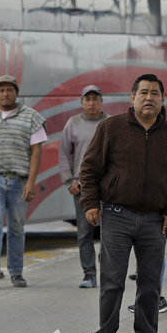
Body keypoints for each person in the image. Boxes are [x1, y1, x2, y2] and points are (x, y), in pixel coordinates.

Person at [80, 73, 167, 333]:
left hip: (155, 220)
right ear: (132, 98)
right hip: (116, 215)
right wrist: (90, 203)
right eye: (143, 93)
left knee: (150, 283)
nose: (149, 98)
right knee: (113, 281)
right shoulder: (111, 128)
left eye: (155, 93)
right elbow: (89, 170)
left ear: (163, 100)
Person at [0, 75, 47, 290]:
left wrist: (31, 182)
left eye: (9, 90)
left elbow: (36, 152)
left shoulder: (31, 117)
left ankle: (16, 272)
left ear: (16, 92)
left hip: (19, 181)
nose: (5, 94)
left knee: (16, 227)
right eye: (1, 90)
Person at [59, 84, 109, 289]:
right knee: (84, 232)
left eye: (95, 99)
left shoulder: (111, 122)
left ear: (101, 102)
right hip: (81, 187)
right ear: (82, 102)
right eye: (87, 99)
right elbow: (64, 154)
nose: (91, 103)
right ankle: (89, 274)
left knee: (110, 232)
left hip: (107, 187)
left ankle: (108, 271)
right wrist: (68, 181)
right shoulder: (73, 123)